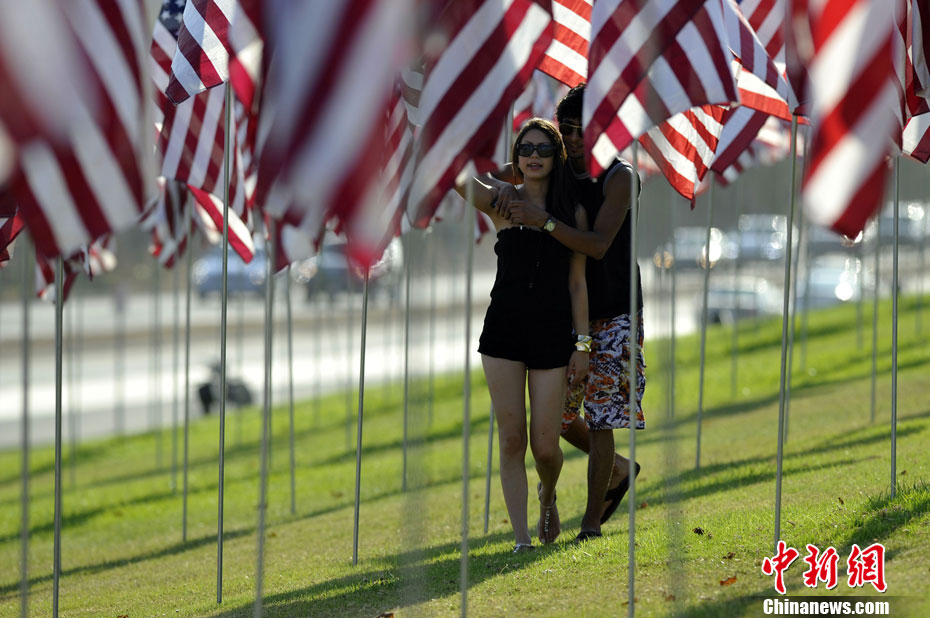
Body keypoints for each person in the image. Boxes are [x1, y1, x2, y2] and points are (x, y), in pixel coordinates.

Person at [487, 84, 645, 543]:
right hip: (561, 313)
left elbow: (596, 246)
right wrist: (502, 185)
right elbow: (496, 174)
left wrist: (546, 222)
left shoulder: (620, 177)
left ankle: (590, 525)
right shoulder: (552, 168)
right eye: (568, 130)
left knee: (601, 416)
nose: (577, 138)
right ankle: (616, 470)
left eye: (586, 130)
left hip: (613, 311)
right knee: (548, 426)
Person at [455, 118, 591, 551]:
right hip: (503, 333)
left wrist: (582, 345)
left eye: (543, 150)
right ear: (516, 158)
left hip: (553, 335)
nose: (534, 156)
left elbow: (576, 283)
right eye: (525, 149)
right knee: (511, 438)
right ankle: (521, 540)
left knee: (545, 447)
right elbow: (455, 176)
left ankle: (547, 495)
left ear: (557, 157)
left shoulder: (572, 212)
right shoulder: (501, 202)